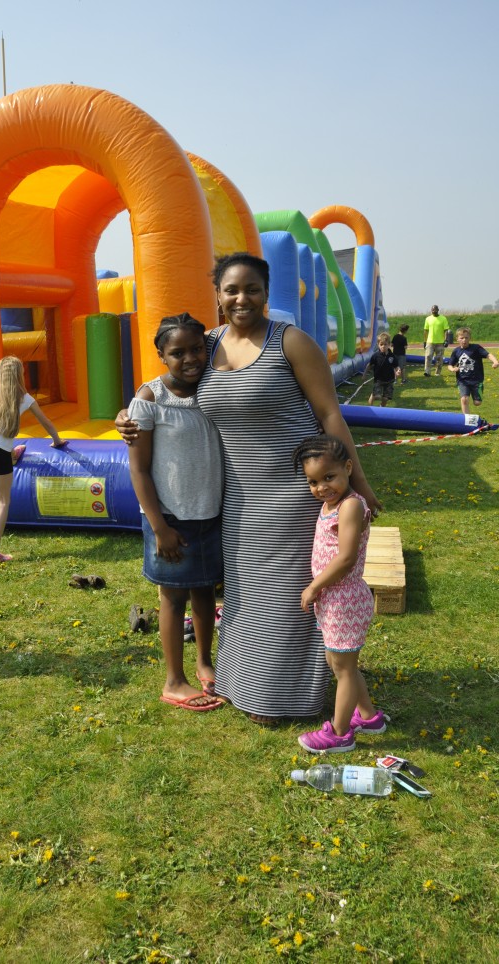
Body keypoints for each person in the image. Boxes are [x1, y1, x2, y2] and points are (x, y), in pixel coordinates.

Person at [117, 252, 381, 724]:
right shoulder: (206, 343)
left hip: (292, 494)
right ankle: (247, 686)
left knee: (287, 595)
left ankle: (284, 699)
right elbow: (167, 382)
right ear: (217, 295)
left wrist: (358, 485)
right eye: (231, 290)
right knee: (244, 596)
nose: (242, 298)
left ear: (266, 292)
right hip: (236, 498)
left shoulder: (291, 342)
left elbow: (330, 416)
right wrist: (131, 410)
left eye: (252, 289)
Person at [127, 312, 223, 712]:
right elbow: (139, 467)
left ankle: (204, 662)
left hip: (212, 513)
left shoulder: (214, 387)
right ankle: (173, 680)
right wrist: (159, 526)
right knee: (173, 596)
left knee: (204, 592)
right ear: (161, 355)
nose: (190, 358)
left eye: (198, 349)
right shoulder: (150, 399)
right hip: (170, 520)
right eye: (177, 352)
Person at [293, 434, 387, 752]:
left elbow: (346, 558)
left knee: (343, 669)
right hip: (333, 602)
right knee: (340, 664)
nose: (321, 487)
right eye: (313, 481)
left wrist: (314, 586)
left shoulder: (349, 506)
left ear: (348, 468)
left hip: (344, 600)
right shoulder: (330, 504)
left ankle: (340, 733)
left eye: (329, 477)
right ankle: (370, 717)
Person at [0, 355, 66, 563]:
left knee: (4, 452)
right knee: (2, 501)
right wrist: (57, 441)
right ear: (19, 376)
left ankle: (13, 455)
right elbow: (46, 423)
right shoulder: (25, 398)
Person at [447, 326, 499, 415]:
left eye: (466, 338)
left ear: (470, 338)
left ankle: (478, 395)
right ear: (457, 339)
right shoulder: (456, 351)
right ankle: (467, 419)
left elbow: (488, 355)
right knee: (464, 399)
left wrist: (495, 362)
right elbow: (450, 365)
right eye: (462, 338)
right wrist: (453, 369)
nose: (464, 340)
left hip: (476, 380)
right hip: (462, 380)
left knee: (477, 403)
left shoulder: (476, 348)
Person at [362, 332, 401, 407]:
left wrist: (398, 370)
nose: (383, 346)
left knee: (386, 398)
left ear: (389, 345)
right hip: (378, 380)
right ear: (378, 345)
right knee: (377, 396)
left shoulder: (392, 356)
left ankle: (381, 409)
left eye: (385, 344)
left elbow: (396, 366)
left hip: (389, 380)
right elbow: (369, 365)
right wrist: (364, 374)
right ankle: (370, 407)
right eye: (381, 344)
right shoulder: (375, 356)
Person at [423, 305, 450, 376]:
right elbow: (425, 331)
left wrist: (446, 340)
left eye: (435, 310)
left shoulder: (443, 318)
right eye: (432, 310)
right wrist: (425, 341)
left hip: (440, 342)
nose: (433, 311)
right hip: (430, 342)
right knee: (428, 356)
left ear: (438, 310)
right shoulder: (428, 319)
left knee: (439, 358)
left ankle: (437, 372)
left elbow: (446, 330)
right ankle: (427, 372)